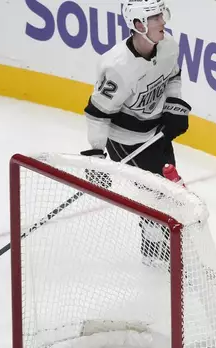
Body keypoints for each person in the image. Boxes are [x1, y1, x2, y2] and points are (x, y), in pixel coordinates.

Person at [81, 0, 191, 267]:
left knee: (167, 189)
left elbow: (173, 77)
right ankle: (155, 255)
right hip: (124, 140)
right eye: (155, 18)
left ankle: (159, 247)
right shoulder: (117, 67)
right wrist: (97, 153)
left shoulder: (168, 46)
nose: (163, 21)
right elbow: (98, 112)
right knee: (154, 195)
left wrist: (174, 108)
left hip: (156, 132)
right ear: (139, 25)